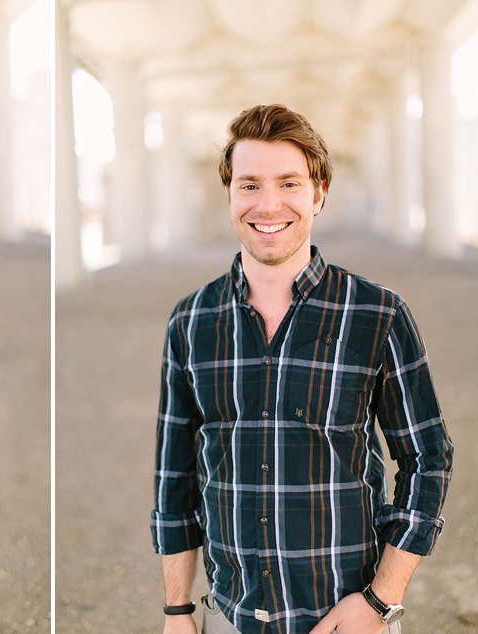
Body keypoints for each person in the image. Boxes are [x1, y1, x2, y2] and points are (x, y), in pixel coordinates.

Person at [151, 104, 453, 634]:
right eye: (249, 185)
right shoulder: (191, 320)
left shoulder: (378, 314)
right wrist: (178, 611)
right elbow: (174, 479)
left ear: (319, 193)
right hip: (230, 617)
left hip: (347, 617)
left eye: (289, 183)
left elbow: (428, 457)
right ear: (229, 195)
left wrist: (381, 601)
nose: (268, 205)